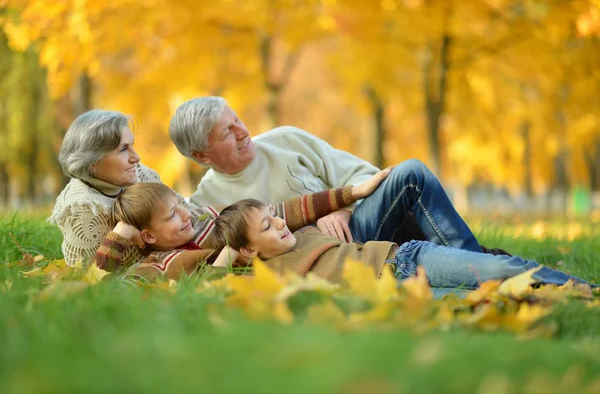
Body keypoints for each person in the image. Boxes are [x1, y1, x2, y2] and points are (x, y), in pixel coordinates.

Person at [168, 96, 508, 256]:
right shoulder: (206, 203)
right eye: (227, 132)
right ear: (201, 155)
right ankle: (480, 263)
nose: (243, 131)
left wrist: (341, 209)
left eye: (237, 119)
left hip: (357, 228)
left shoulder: (287, 139)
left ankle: (476, 263)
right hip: (322, 258)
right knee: (473, 255)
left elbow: (369, 176)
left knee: (411, 173)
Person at [208, 199, 595, 296]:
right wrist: (233, 251)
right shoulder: (266, 275)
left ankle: (588, 291)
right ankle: (567, 299)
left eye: (275, 216)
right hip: (400, 293)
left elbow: (320, 201)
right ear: (248, 251)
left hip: (408, 259)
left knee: (502, 271)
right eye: (267, 226)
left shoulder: (305, 232)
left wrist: (341, 209)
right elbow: (211, 277)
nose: (280, 224)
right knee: (494, 296)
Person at [92, 170, 391, 281]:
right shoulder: (155, 266)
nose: (186, 216)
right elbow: (98, 285)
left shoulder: (208, 220)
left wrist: (352, 194)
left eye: (180, 205)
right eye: (171, 216)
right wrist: (119, 235)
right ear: (147, 235)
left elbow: (283, 211)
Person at [49, 110, 179, 266]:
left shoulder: (140, 174)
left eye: (132, 145)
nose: (136, 158)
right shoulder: (83, 210)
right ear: (93, 163)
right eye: (123, 149)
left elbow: (188, 214)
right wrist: (121, 235)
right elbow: (92, 279)